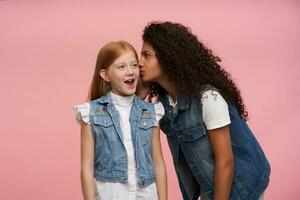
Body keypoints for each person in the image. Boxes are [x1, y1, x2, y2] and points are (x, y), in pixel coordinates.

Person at [138, 22, 270, 200]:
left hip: (242, 186)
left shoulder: (207, 98)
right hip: (209, 183)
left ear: (169, 58)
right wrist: (140, 95)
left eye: (146, 56)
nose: (140, 63)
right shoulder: (165, 103)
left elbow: (225, 162)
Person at [74, 41, 167, 200]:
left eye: (134, 65)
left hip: (147, 194)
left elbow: (158, 163)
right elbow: (86, 168)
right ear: (105, 75)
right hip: (110, 194)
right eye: (121, 67)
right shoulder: (91, 113)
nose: (130, 71)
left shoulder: (151, 112)